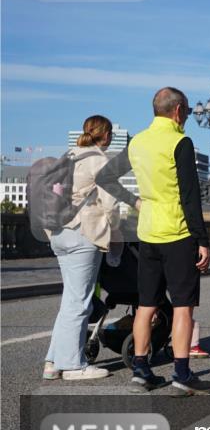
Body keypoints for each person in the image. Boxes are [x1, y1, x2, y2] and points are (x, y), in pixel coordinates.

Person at [99, 87, 210, 396]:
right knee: (182, 307)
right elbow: (190, 197)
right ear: (177, 111)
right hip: (177, 233)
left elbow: (104, 177)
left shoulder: (138, 141)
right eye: (189, 112)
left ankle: (141, 369)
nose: (188, 117)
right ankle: (181, 373)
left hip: (147, 232)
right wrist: (202, 240)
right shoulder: (180, 142)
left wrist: (136, 201)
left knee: (146, 305)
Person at [43, 115, 138, 381]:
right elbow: (109, 204)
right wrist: (116, 230)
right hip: (82, 234)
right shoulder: (98, 159)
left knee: (70, 300)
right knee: (80, 302)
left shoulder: (69, 155)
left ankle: (52, 362)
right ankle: (73, 366)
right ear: (106, 135)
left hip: (58, 232)